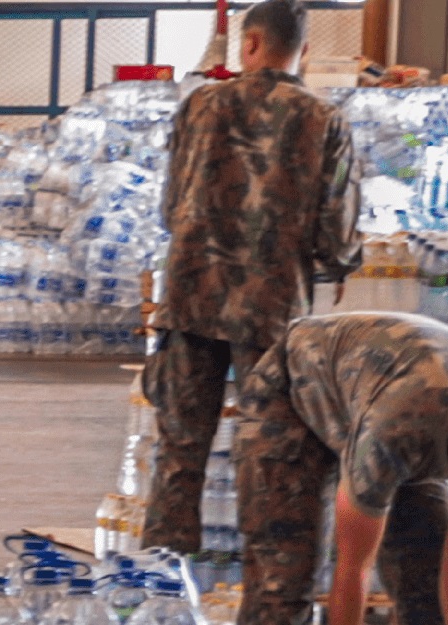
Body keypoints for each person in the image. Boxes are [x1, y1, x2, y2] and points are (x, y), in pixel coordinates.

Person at [125, 0, 358, 557]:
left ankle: (163, 580)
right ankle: (267, 583)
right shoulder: (324, 119)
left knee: (179, 452)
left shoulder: (200, 106)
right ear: (302, 52)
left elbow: (170, 205)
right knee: (268, 452)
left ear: (248, 44)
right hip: (271, 310)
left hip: (189, 297)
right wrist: (334, 264)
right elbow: (338, 227)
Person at [216, 312, 448, 625]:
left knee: (427, 583)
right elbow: (353, 569)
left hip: (391, 410)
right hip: (293, 391)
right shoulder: (396, 428)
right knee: (284, 580)